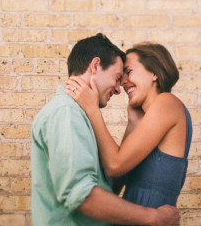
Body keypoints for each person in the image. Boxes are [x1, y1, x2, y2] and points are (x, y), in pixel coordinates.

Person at [31, 33, 180, 226]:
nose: (120, 89)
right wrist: (154, 218)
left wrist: (131, 127)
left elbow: (107, 187)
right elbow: (82, 195)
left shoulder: (79, 115)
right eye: (118, 77)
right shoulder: (66, 113)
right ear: (95, 66)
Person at [66, 42, 191, 212]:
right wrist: (132, 123)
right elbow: (116, 183)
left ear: (154, 72)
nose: (123, 82)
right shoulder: (150, 118)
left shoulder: (167, 102)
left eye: (129, 72)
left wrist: (92, 109)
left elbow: (114, 166)